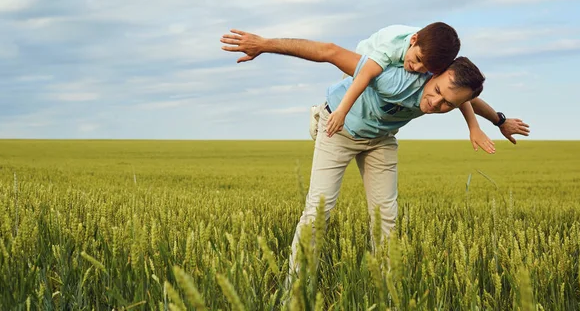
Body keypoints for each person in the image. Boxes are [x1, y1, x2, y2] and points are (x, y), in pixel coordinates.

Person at [220, 28, 530, 279]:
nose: (436, 104)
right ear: (432, 78)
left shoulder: (446, 86)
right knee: (317, 212)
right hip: (338, 130)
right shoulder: (392, 77)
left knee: (386, 218)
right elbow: (328, 51)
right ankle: (295, 289)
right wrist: (264, 44)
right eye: (436, 92)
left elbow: (467, 97)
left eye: (447, 103)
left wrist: (497, 122)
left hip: (380, 139)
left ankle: (386, 290)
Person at [316, 23, 495, 155]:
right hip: (364, 61)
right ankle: (321, 113)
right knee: (359, 89)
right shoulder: (391, 46)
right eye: (417, 60)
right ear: (413, 40)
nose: (417, 68)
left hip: (380, 133)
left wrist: (484, 125)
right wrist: (341, 111)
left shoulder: (434, 62)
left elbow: (459, 95)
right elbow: (364, 73)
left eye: (426, 68)